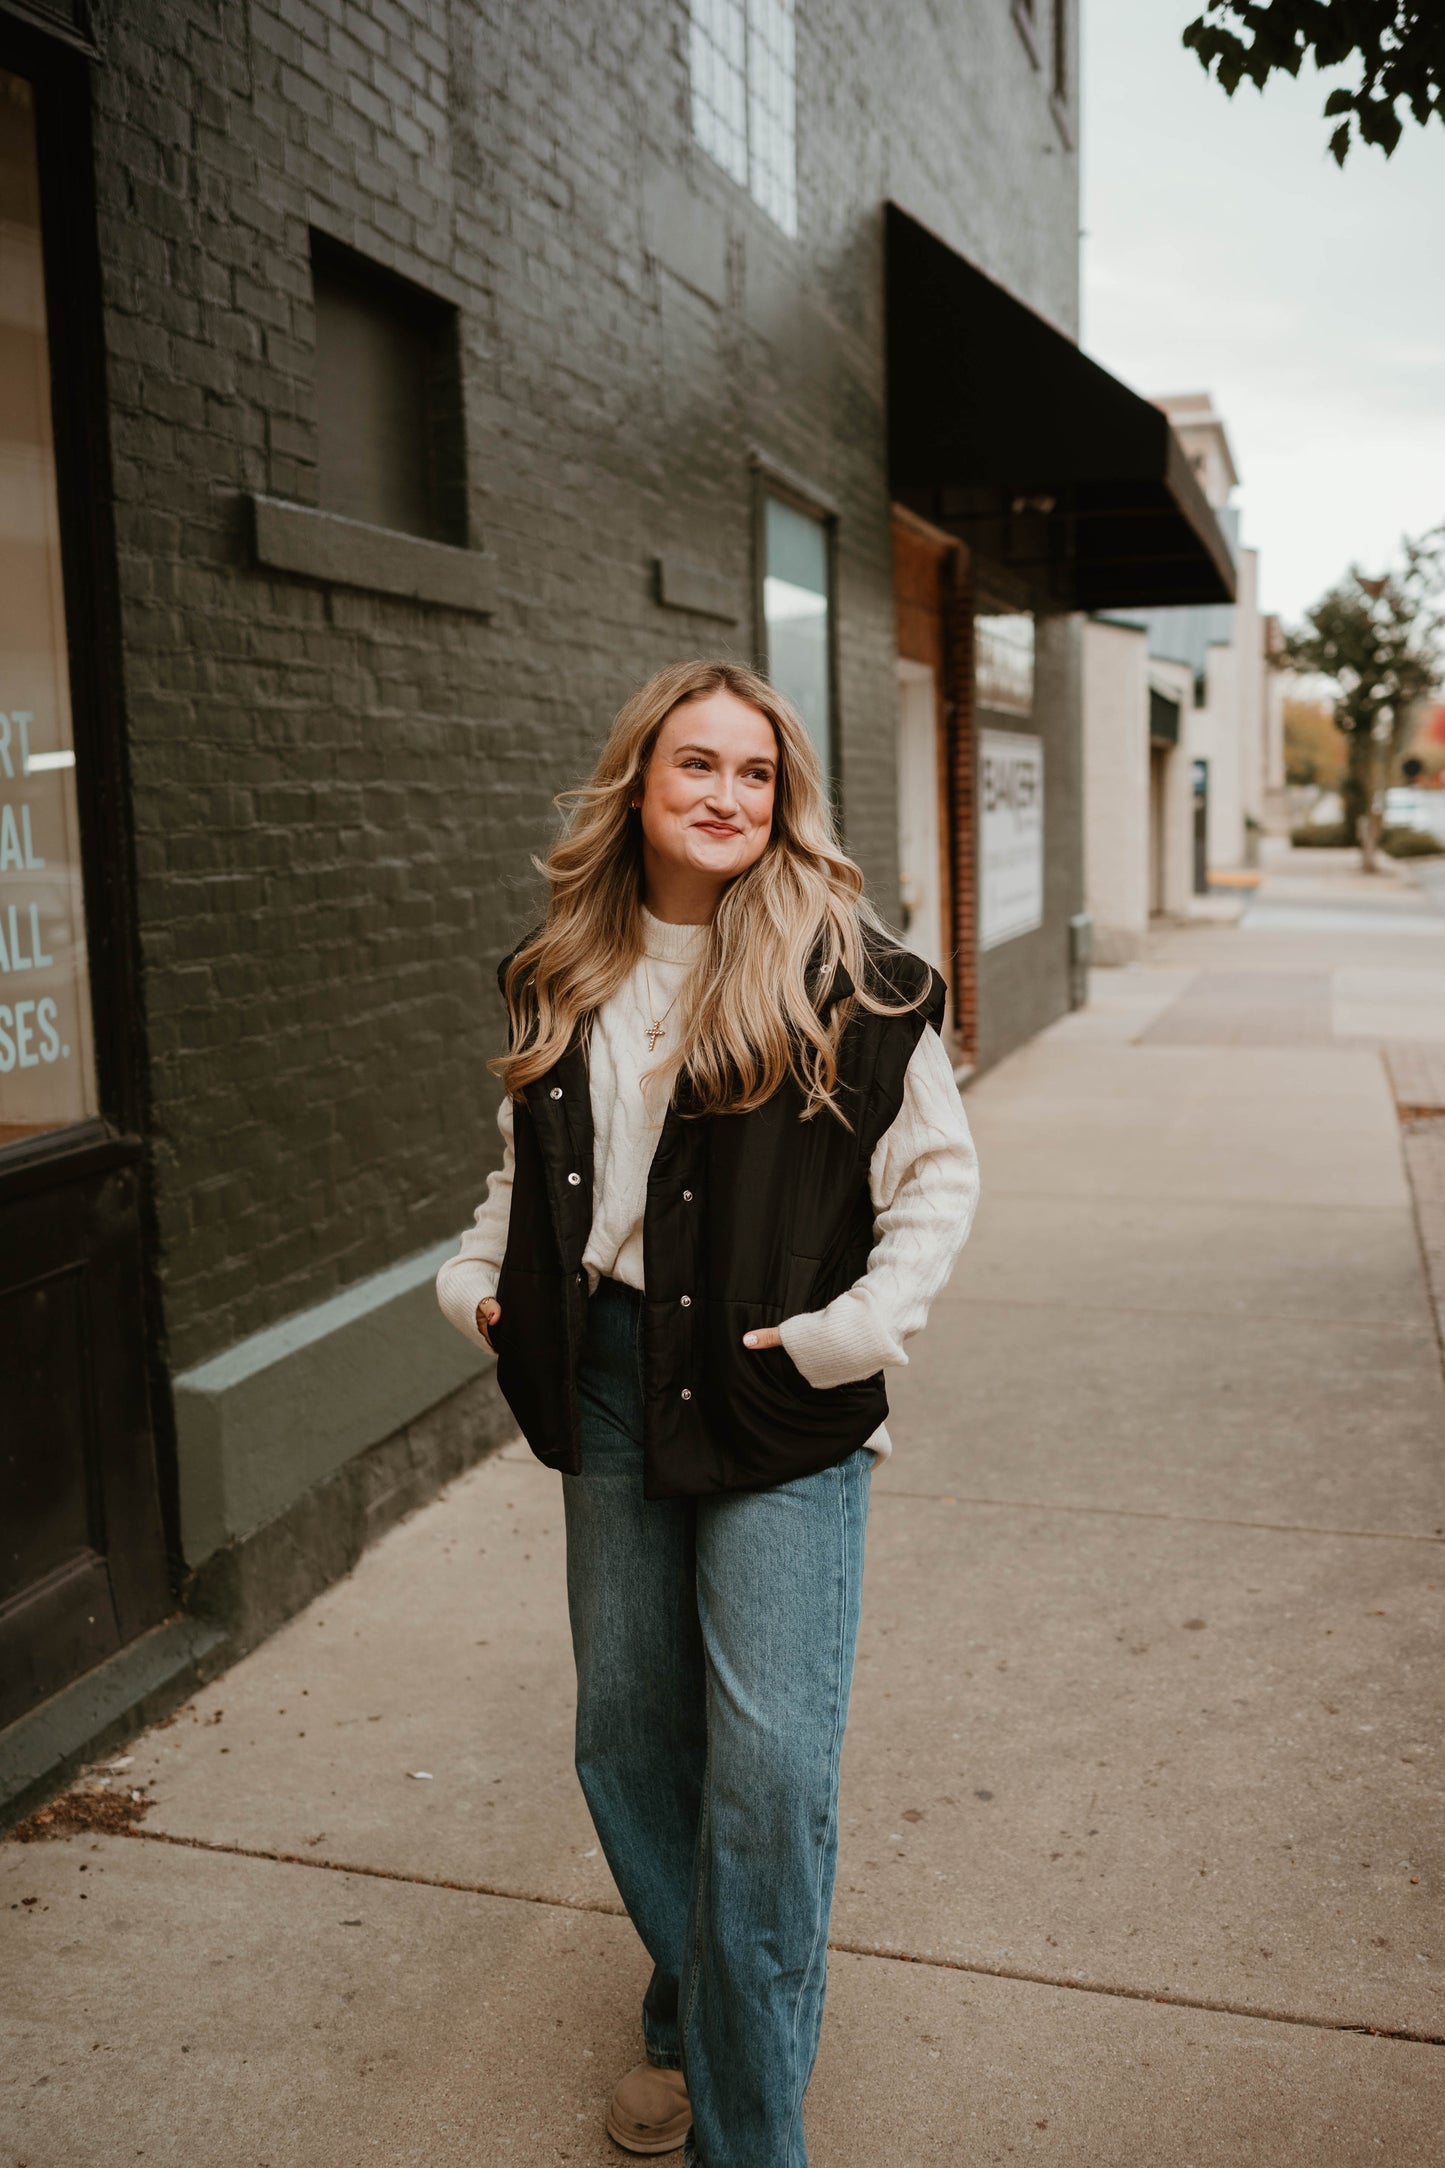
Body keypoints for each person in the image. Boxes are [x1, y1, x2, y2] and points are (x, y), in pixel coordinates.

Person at [437, 659, 979, 2168]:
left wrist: (849, 1337)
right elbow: (527, 1169)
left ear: (783, 797)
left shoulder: (852, 976)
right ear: (640, 780)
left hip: (770, 1380)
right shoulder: (563, 968)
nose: (727, 795)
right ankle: (698, 2001)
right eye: (698, 764)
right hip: (605, 1371)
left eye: (756, 772)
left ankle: (747, 2126)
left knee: (772, 1768)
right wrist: (474, 1283)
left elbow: (936, 1177)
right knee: (625, 1732)